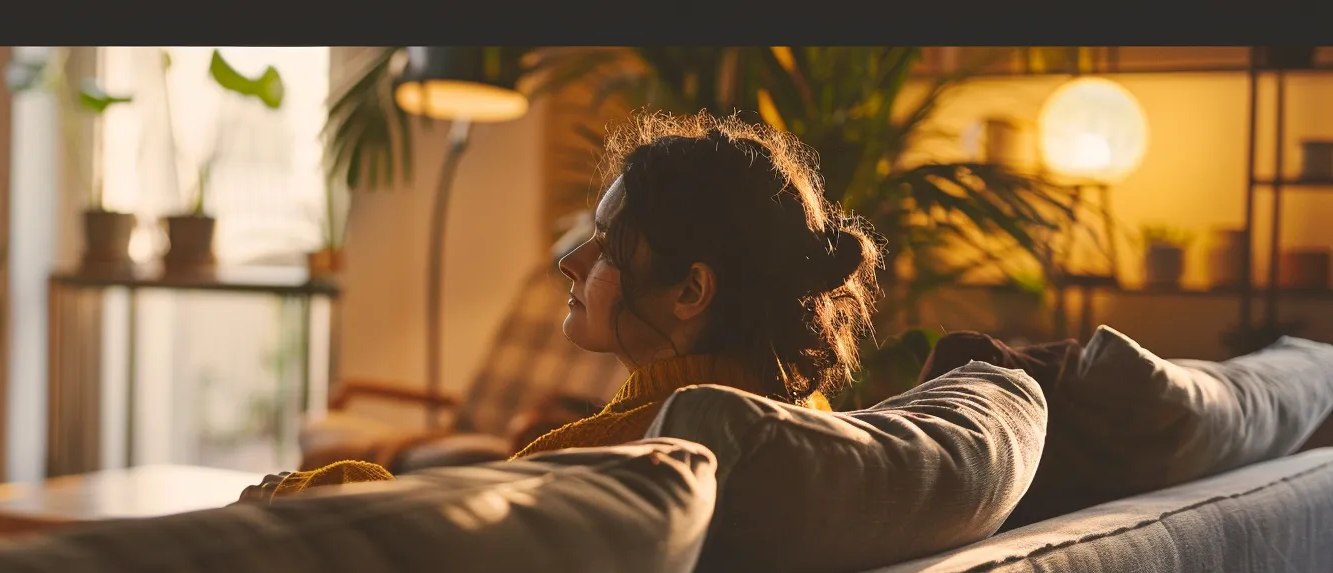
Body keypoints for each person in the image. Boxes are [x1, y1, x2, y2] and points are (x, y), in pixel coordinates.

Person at [240, 110, 883, 503]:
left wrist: (292, 492)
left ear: (691, 291)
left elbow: (434, 528)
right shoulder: (810, 424)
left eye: (608, 249)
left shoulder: (611, 451)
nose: (569, 263)